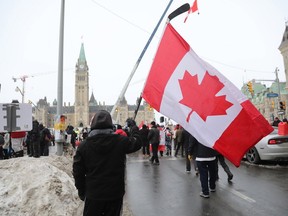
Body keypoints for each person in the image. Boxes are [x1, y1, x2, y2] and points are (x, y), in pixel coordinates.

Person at [73, 110, 142, 216]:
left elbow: (78, 172)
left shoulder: (84, 146)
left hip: (93, 194)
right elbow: (137, 142)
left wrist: (82, 192)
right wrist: (133, 127)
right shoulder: (120, 141)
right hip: (114, 194)